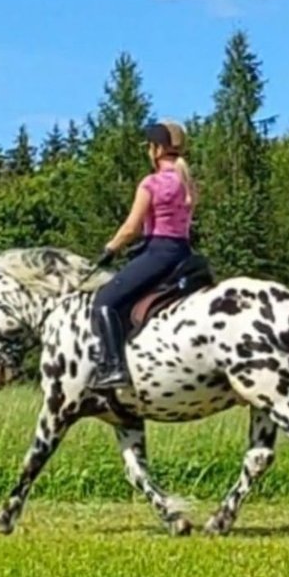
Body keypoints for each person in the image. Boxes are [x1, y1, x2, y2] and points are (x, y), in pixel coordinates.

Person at [89, 119, 198, 390]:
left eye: (150, 146)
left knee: (104, 300)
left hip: (159, 252)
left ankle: (114, 368)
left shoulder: (151, 183)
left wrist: (109, 250)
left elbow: (131, 228)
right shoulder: (189, 183)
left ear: (157, 149)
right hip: (184, 253)